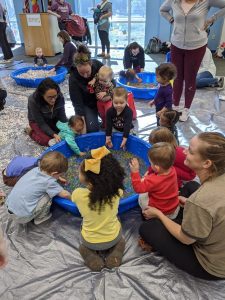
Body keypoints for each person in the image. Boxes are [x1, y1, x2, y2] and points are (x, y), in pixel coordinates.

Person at [139, 132, 225, 280]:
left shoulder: (200, 201)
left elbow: (186, 239)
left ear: (207, 163)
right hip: (216, 235)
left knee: (146, 228)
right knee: (191, 186)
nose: (184, 151)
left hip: (211, 265)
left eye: (190, 151)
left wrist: (158, 213)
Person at [160, 0, 225, 122]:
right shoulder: (174, 1)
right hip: (176, 44)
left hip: (197, 46)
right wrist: (171, 20)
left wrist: (212, 19)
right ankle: (176, 106)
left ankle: (186, 109)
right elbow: (162, 10)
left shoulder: (206, 1)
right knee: (177, 77)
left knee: (190, 78)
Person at [72, 146, 125, 271]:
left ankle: (89, 254)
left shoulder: (78, 194)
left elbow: (72, 199)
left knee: (83, 240)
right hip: (113, 238)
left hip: (90, 241)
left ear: (89, 183)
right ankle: (117, 251)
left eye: (80, 171)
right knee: (119, 232)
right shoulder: (117, 192)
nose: (78, 171)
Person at [6, 151, 71, 225]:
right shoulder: (48, 182)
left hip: (9, 206)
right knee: (49, 195)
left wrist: (58, 177)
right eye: (60, 174)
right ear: (54, 173)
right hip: (22, 217)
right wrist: (73, 199)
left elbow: (48, 174)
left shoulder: (35, 170)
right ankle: (40, 218)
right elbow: (65, 194)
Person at [130, 142, 180, 219]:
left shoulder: (153, 180)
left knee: (142, 196)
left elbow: (138, 188)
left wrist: (135, 172)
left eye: (151, 163)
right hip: (173, 208)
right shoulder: (172, 170)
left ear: (156, 168)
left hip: (161, 212)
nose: (150, 165)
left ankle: (147, 216)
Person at [69, 44, 104, 133]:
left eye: (88, 72)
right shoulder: (73, 78)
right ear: (76, 67)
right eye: (82, 73)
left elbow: (112, 82)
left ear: (91, 64)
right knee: (92, 129)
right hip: (88, 104)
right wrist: (83, 132)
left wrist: (107, 95)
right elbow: (78, 104)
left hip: (103, 100)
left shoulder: (98, 66)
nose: (85, 76)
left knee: (115, 111)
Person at [27, 78, 67, 146]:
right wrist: (53, 134)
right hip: (37, 121)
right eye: (49, 97)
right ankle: (30, 131)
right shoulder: (33, 100)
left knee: (64, 133)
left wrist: (67, 129)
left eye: (55, 96)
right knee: (48, 141)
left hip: (53, 118)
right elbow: (41, 123)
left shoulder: (59, 96)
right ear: (42, 95)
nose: (53, 100)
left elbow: (62, 116)